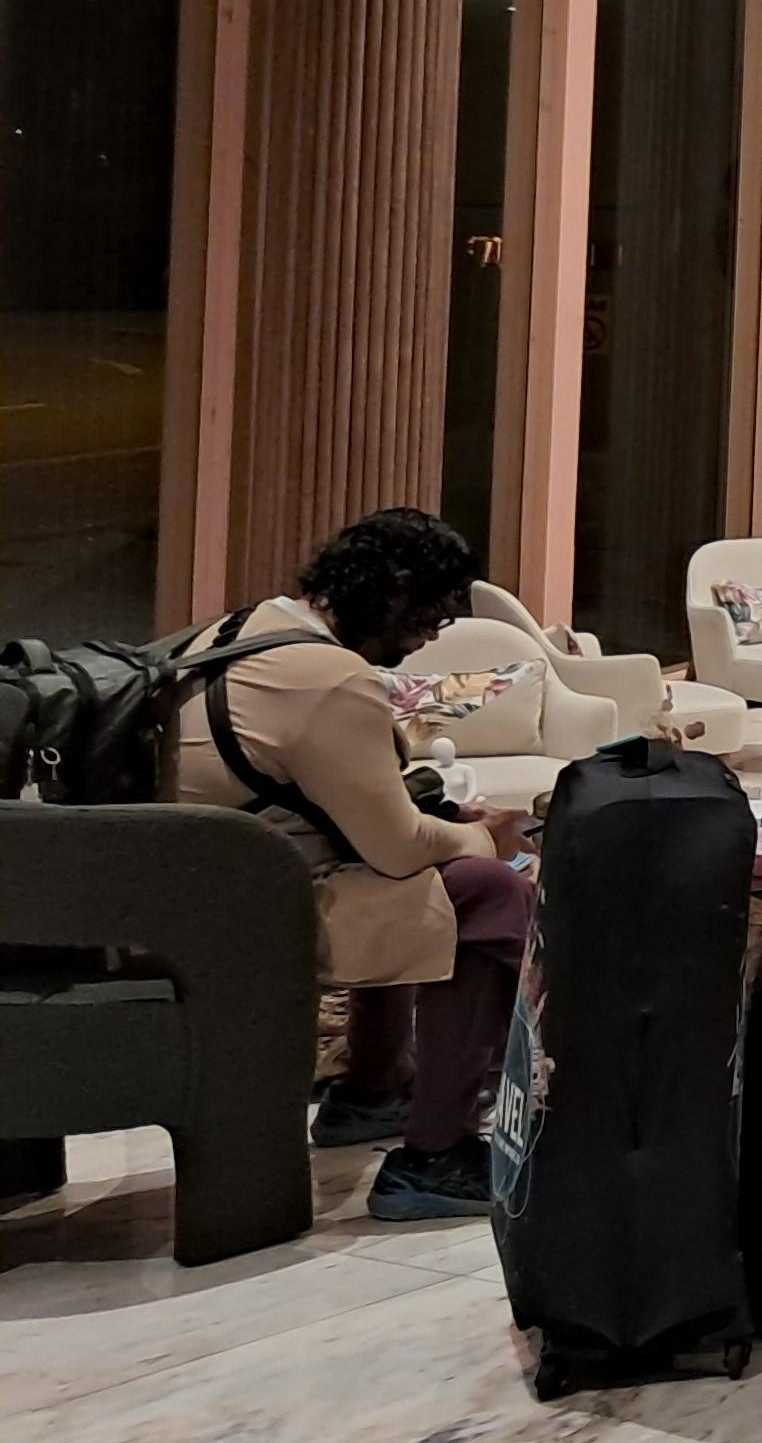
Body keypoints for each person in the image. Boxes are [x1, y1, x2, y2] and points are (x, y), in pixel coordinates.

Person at [174, 507, 541, 1219]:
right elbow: (397, 848)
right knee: (485, 892)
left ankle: (374, 1091)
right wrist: (488, 838)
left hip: (191, 891)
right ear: (391, 592)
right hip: (249, 917)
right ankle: (436, 1156)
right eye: (428, 617)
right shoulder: (330, 678)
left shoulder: (238, 630)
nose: (428, 638)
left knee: (409, 880)